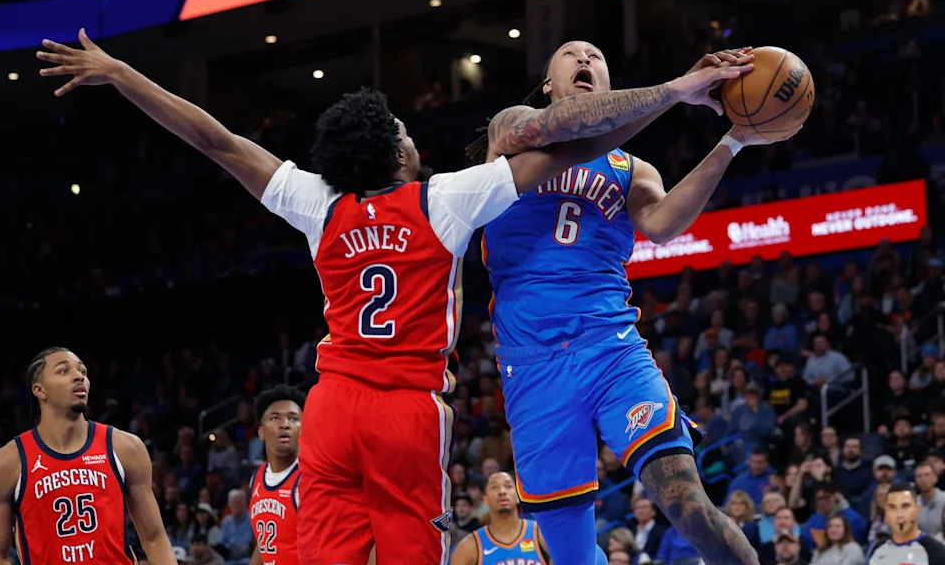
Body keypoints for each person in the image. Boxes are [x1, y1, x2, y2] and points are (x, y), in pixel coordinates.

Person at [36, 31, 698, 564]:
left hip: (331, 410)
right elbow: (579, 145)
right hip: (404, 410)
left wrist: (121, 75)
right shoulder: (445, 198)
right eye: (404, 131)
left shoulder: (318, 201)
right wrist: (676, 91)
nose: (414, 136)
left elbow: (215, 140)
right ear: (393, 152)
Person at [475, 39, 791, 565]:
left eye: (595, 56)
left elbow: (662, 225)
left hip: (611, 349)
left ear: (610, 83)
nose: (584, 59)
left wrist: (734, 139)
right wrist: (676, 89)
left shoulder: (634, 168)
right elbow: (563, 126)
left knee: (690, 506)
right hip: (532, 367)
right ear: (547, 83)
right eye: (570, 54)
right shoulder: (512, 127)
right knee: (573, 556)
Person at [0, 347, 176, 565]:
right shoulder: (6, 463)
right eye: (63, 371)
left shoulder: (125, 448)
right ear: (39, 390)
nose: (79, 377)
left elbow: (154, 539)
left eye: (82, 371)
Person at [248, 386, 306, 565]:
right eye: (275, 418)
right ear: (261, 432)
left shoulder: (311, 478)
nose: (284, 424)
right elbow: (265, 544)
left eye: (293, 418)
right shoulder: (256, 478)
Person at [451, 472, 551, 565]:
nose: (502, 491)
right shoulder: (470, 546)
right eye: (494, 487)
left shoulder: (542, 534)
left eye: (508, 486)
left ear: (517, 496)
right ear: (485, 500)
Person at [868, 483, 945, 563]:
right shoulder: (878, 549)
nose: (899, 514)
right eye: (893, 507)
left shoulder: (936, 551)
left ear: (917, 509)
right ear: (887, 512)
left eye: (905, 506)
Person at [913, 461, 945, 537]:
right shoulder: (913, 503)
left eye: (927, 475)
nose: (923, 479)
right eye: (919, 476)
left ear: (935, 478)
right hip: (920, 543)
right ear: (915, 480)